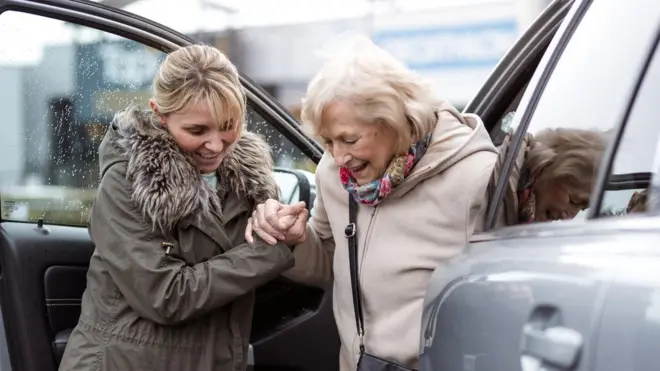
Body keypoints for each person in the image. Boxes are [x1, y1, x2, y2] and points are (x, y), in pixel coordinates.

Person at [245, 36, 498, 371]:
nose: (338, 156)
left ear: (397, 119)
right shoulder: (334, 175)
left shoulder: (477, 178)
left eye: (350, 139)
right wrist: (296, 239)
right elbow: (329, 262)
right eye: (327, 141)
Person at [59, 45, 294, 371]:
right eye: (197, 131)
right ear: (160, 115)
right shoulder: (128, 181)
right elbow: (166, 297)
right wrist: (271, 250)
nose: (215, 145)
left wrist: (284, 225)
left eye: (229, 125)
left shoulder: (249, 182)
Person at [489, 126, 608, 225]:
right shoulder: (485, 185)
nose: (568, 217)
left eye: (581, 209)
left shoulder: (523, 214)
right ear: (549, 166)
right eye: (573, 201)